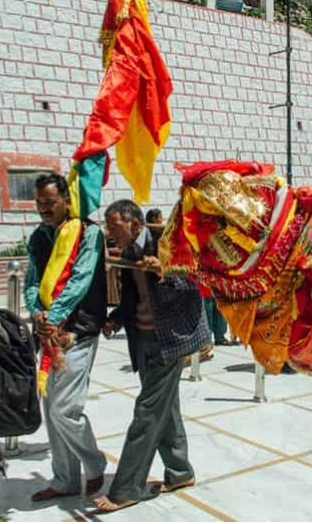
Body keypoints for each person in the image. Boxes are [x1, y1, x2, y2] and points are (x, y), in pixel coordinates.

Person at [95, 200, 209, 513]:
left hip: (171, 340)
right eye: (109, 227)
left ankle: (126, 488)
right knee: (165, 408)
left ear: (135, 223)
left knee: (147, 411)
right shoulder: (129, 252)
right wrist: (116, 318)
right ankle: (180, 473)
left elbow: (194, 280)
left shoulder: (168, 242)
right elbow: (132, 297)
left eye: (115, 227)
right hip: (143, 339)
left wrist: (162, 272)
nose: (110, 233)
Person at [23, 174, 108, 503]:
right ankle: (64, 479)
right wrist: (37, 313)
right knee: (50, 406)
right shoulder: (39, 237)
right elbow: (32, 279)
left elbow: (81, 280)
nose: (44, 208)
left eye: (50, 202)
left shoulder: (89, 233)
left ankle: (94, 461)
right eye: (39, 203)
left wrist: (55, 316)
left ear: (66, 201)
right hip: (47, 333)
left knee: (64, 409)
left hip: (77, 330)